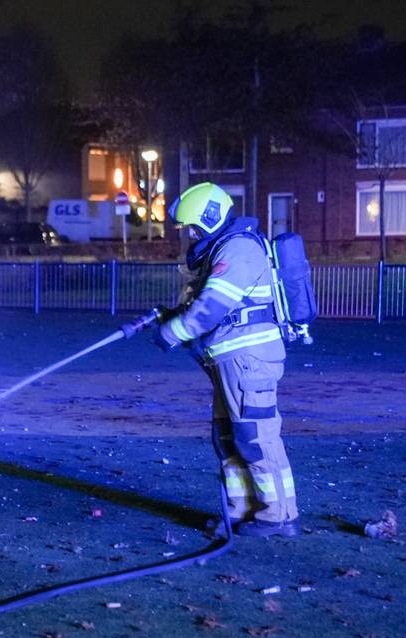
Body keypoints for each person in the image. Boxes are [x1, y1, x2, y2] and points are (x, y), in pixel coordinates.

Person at [125, 182, 299, 538]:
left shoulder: (239, 249)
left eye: (193, 227)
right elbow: (205, 305)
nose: (191, 235)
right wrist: (172, 316)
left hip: (249, 361)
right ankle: (241, 508)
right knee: (227, 437)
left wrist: (171, 332)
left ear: (209, 218)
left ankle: (278, 514)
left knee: (255, 437)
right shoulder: (224, 248)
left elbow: (211, 309)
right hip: (230, 362)